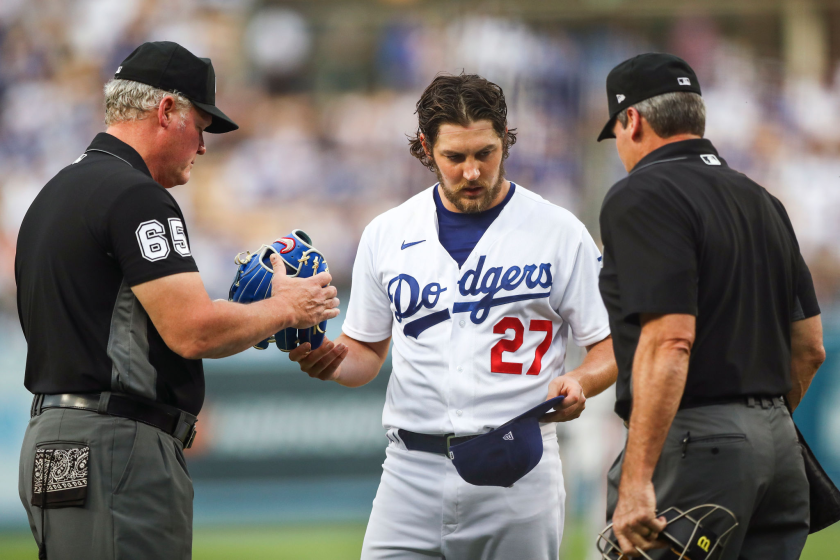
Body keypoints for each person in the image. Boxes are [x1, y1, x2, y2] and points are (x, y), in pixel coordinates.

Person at [15, 41, 339, 560]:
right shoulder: (135, 194)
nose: (204, 146)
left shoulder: (54, 194)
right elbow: (193, 330)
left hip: (53, 440)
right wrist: (287, 307)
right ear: (167, 110)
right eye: (201, 125)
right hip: (115, 445)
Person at [290, 73, 617, 559]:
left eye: (484, 153)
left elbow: (609, 345)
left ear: (505, 142)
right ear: (426, 147)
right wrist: (330, 358)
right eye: (455, 156)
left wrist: (583, 381)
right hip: (409, 471)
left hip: (518, 467)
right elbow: (365, 356)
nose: (471, 171)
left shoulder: (557, 230)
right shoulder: (388, 233)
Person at [596, 53, 825, 558]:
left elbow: (671, 338)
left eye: (615, 132)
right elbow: (809, 348)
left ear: (631, 120)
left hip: (695, 444)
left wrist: (636, 480)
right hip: (780, 449)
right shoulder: (762, 199)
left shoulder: (642, 193)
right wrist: (759, 428)